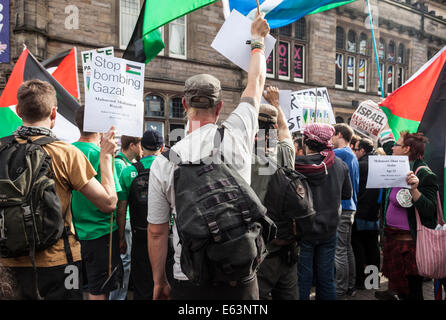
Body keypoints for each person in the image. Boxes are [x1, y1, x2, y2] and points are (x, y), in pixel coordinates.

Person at [147, 11, 270, 300]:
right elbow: (256, 84)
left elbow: (156, 231)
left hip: (189, 276)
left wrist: (159, 280)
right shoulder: (238, 130)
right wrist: (258, 42)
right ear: (220, 107)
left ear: (183, 104)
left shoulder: (165, 161)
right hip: (240, 274)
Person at [0, 79, 118, 299]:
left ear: (18, 111)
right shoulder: (65, 153)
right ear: (54, 113)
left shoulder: (1, 148)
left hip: (7, 263)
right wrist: (106, 158)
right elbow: (108, 203)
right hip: (58, 261)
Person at [378, 129, 438, 300]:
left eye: (396, 145)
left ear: (406, 149)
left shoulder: (424, 173)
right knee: (400, 290)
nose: (392, 148)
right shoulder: (395, 168)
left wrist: (414, 190)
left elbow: (429, 209)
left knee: (413, 291)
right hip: (393, 239)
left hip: (410, 245)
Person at [71, 105, 124, 300]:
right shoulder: (103, 156)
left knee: (73, 288)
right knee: (99, 292)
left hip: (71, 236)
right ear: (99, 125)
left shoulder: (66, 152)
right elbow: (114, 201)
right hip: (101, 236)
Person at [295, 123, 352, 300]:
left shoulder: (297, 165)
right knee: (326, 278)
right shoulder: (339, 164)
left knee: (302, 279)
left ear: (305, 141)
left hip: (304, 230)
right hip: (329, 229)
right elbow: (346, 194)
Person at [251, 86, 297, 300]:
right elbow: (285, 133)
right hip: (287, 243)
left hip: (259, 246)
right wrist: (276, 104)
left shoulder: (243, 158)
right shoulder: (286, 153)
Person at [117, 129, 169, 299]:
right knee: (165, 283)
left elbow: (122, 209)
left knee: (141, 284)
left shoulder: (128, 172)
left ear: (142, 147)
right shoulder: (170, 169)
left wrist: (121, 238)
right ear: (161, 148)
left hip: (139, 236)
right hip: (165, 237)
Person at [110, 135, 142, 300]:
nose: (142, 148)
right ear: (132, 145)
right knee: (124, 261)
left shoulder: (125, 164)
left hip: (127, 219)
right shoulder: (119, 164)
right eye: (140, 144)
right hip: (124, 219)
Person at [332, 123, 359, 299]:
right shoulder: (352, 154)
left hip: (343, 207)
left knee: (339, 251)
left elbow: (318, 154)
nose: (330, 139)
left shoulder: (340, 153)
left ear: (340, 135)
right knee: (347, 248)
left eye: (332, 135)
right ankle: (350, 285)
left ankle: (340, 290)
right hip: (350, 207)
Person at [351, 138, 381, 290]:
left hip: (360, 212)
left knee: (358, 247)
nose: (354, 152)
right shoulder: (380, 164)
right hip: (375, 213)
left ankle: (360, 281)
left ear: (362, 150)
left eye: (355, 150)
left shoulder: (359, 165)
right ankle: (373, 281)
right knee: (372, 247)